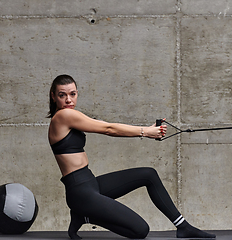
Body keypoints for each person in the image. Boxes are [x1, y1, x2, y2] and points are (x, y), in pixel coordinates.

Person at [47, 74, 216, 239]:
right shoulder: (63, 115)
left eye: (73, 94)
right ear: (54, 97)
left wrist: (148, 130)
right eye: (62, 95)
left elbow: (107, 127)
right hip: (80, 191)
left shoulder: (70, 115)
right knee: (141, 230)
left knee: (148, 175)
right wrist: (146, 132)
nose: (69, 100)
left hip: (89, 182)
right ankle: (85, 217)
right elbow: (109, 129)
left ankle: (183, 226)